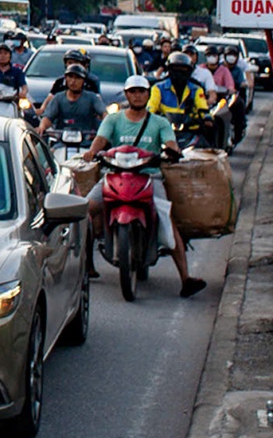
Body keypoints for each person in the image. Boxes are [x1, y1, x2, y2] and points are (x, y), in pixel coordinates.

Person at [87, 76, 205, 297]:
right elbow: (100, 141)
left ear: (148, 94)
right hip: (114, 176)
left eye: (142, 91)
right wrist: (92, 152)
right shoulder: (113, 119)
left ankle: (186, 278)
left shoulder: (159, 122)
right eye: (133, 91)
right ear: (127, 94)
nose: (138, 95)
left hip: (149, 177)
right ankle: (86, 265)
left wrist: (172, 151)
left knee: (168, 222)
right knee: (84, 211)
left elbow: (170, 143)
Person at [150, 51, 217, 148]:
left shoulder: (196, 89)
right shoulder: (158, 88)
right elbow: (150, 108)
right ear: (169, 70)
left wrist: (207, 117)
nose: (179, 74)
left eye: (183, 70)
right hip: (163, 130)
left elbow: (202, 107)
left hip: (190, 131)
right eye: (175, 70)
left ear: (189, 71)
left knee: (209, 150)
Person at [37, 67, 105, 142]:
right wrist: (42, 126)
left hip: (87, 143)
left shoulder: (92, 98)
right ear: (66, 78)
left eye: (78, 78)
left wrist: (106, 127)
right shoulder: (58, 98)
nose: (73, 81)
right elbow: (48, 117)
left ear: (83, 80)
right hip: (61, 143)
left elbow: (104, 113)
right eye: (70, 77)